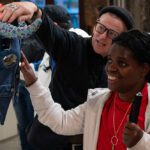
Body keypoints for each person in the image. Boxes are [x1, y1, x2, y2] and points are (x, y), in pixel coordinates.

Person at [0, 2, 135, 150]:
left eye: (112, 33)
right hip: (52, 139)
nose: (102, 36)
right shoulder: (74, 45)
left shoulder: (125, 71)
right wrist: (35, 11)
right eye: (101, 28)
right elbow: (52, 33)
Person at [21, 29, 150, 150]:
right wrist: (33, 82)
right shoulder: (99, 102)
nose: (111, 68)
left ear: (144, 69)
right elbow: (60, 121)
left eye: (122, 63)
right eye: (110, 61)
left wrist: (141, 141)